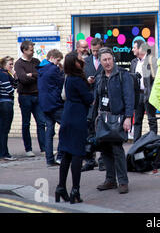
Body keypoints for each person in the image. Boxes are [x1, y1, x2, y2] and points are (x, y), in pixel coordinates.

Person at [94, 47, 134, 194]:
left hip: (118, 118)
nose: (107, 62)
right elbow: (96, 99)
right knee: (105, 151)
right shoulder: (99, 77)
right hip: (103, 118)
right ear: (100, 61)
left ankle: (123, 181)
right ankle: (110, 180)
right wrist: (92, 119)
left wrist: (128, 118)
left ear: (113, 59)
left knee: (117, 150)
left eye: (109, 59)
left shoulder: (123, 75)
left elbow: (129, 98)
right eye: (104, 60)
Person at [56, 52, 94, 204]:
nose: (82, 59)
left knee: (66, 154)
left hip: (67, 116)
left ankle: (60, 187)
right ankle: (75, 190)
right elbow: (88, 99)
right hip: (77, 117)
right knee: (77, 154)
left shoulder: (68, 78)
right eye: (79, 59)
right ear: (75, 63)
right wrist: (90, 89)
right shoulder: (78, 79)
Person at [14, 40, 46, 157]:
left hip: (37, 96)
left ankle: (44, 148)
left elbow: (42, 74)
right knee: (26, 123)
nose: (33, 51)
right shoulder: (18, 64)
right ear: (24, 50)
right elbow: (22, 79)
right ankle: (28, 149)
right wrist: (34, 76)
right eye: (31, 50)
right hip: (25, 96)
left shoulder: (36, 61)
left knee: (41, 122)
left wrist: (31, 75)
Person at [37, 49, 64, 167]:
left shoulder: (40, 69)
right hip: (55, 104)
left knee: (49, 131)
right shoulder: (53, 69)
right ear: (52, 57)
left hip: (44, 104)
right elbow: (61, 83)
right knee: (66, 127)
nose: (58, 63)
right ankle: (60, 156)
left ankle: (49, 159)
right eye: (58, 60)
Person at [81, 37, 105, 172]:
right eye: (93, 51)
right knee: (88, 131)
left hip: (103, 101)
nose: (95, 53)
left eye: (97, 50)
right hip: (89, 102)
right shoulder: (86, 61)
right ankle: (89, 160)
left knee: (102, 131)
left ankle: (103, 161)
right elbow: (80, 79)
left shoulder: (107, 60)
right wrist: (87, 80)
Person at [0, 56, 18, 161]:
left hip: (2, 103)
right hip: (5, 103)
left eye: (12, 64)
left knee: (2, 129)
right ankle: (4, 154)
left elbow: (15, 85)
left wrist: (15, 75)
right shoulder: (3, 75)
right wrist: (13, 80)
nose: (12, 66)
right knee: (4, 129)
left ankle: (0, 153)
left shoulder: (5, 74)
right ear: (4, 65)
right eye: (10, 64)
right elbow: (11, 90)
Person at [132, 43, 158, 141]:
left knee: (151, 119)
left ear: (140, 49)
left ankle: (153, 141)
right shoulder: (134, 62)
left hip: (149, 94)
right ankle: (136, 145)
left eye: (134, 47)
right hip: (138, 95)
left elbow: (156, 79)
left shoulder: (152, 60)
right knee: (137, 121)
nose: (132, 49)